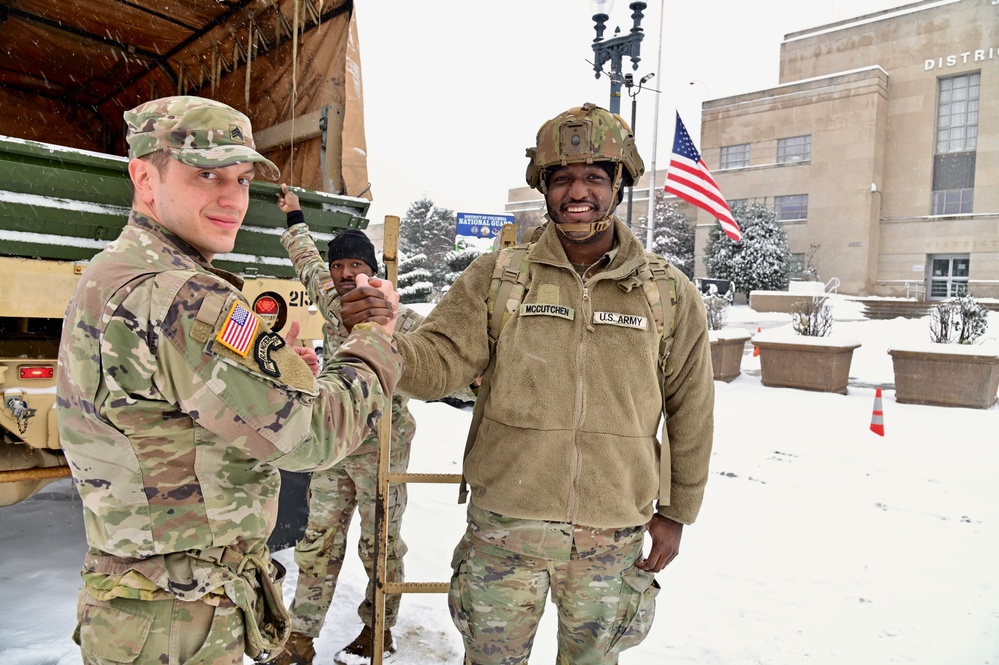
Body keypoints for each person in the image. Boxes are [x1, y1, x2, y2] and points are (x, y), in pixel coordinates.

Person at [341, 102, 715, 664]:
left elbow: (691, 407)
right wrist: (386, 337)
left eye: (594, 175)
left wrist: (676, 511)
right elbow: (439, 359)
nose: (577, 191)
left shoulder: (666, 292)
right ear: (543, 187)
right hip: (505, 530)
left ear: (619, 183)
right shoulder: (499, 276)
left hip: (611, 539)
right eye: (561, 178)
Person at [56, 95, 403, 665]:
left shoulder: (114, 270)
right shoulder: (184, 297)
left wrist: (275, 373)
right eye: (207, 174)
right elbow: (311, 437)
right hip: (181, 617)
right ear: (144, 177)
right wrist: (376, 340)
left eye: (241, 179)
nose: (232, 199)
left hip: (145, 605)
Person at [266, 187, 424, 664]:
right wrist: (293, 214)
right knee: (318, 542)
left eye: (354, 267)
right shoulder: (332, 302)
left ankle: (378, 631)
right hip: (335, 446)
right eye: (339, 268)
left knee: (380, 547)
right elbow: (305, 258)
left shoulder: (401, 317)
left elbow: (443, 359)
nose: (344, 275)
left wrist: (474, 379)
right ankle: (301, 636)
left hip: (383, 453)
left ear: (372, 270)